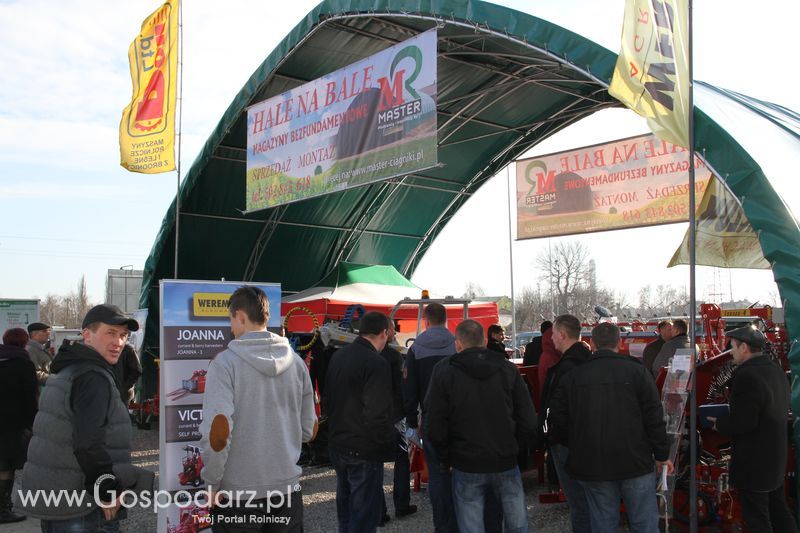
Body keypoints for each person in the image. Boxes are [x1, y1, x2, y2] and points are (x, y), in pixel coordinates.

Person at [19, 304, 150, 532]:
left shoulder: (71, 367)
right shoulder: (92, 376)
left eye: (123, 336)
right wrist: (107, 490)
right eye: (110, 333)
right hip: (81, 504)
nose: (118, 342)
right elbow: (88, 444)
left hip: (62, 498)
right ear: (87, 335)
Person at [199, 286, 317, 532]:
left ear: (240, 316)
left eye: (231, 319)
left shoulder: (224, 364)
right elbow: (310, 430)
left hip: (238, 496)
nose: (231, 327)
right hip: (287, 492)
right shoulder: (296, 363)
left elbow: (218, 434)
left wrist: (211, 484)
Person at [549, 322, 672, 533]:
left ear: (592, 344)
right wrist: (662, 454)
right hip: (635, 461)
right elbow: (654, 416)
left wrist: (578, 445)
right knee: (644, 522)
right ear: (619, 342)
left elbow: (557, 421)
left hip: (593, 463)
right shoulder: (638, 372)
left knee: (603, 522)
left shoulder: (573, 377)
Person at [424, 319, 537, 533]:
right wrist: (515, 449)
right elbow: (528, 419)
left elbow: (434, 422)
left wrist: (445, 456)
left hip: (466, 462)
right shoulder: (507, 368)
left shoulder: (444, 371)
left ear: (457, 343)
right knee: (517, 524)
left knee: (471, 526)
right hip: (504, 460)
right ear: (485, 341)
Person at [707, 325, 796, 532]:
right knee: (779, 510)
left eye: (733, 348)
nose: (731, 352)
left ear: (744, 347)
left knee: (757, 517)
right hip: (775, 458)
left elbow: (743, 422)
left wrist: (717, 423)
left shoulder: (746, 375)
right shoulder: (776, 370)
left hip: (754, 463)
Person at [324, 311, 394, 533]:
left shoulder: (339, 355)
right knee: (363, 517)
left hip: (338, 444)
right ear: (384, 333)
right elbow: (377, 413)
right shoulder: (376, 363)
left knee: (345, 513)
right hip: (363, 449)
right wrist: (386, 446)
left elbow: (327, 398)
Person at [401, 303, 458, 532]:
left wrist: (412, 422)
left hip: (431, 419)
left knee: (436, 474)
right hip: (459, 418)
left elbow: (409, 389)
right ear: (445, 319)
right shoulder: (457, 344)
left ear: (425, 321)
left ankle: (442, 525)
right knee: (463, 472)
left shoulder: (416, 349)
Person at [539, 314, 592, 532]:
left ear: (562, 334)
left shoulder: (564, 368)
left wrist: (549, 434)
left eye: (553, 335)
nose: (551, 339)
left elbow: (555, 408)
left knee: (579, 503)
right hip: (589, 439)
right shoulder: (591, 361)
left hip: (566, 443)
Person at [378, 321, 417, 525]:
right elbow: (404, 388)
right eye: (393, 328)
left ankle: (379, 512)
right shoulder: (396, 356)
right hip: (395, 416)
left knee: (375, 464)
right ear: (386, 331)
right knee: (401, 460)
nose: (396, 332)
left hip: (374, 418)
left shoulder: (368, 356)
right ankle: (402, 504)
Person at [0, 328, 37, 524]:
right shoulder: (23, 364)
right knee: (6, 466)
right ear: (24, 343)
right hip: (12, 425)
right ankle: (3, 509)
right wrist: (34, 424)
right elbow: (30, 398)